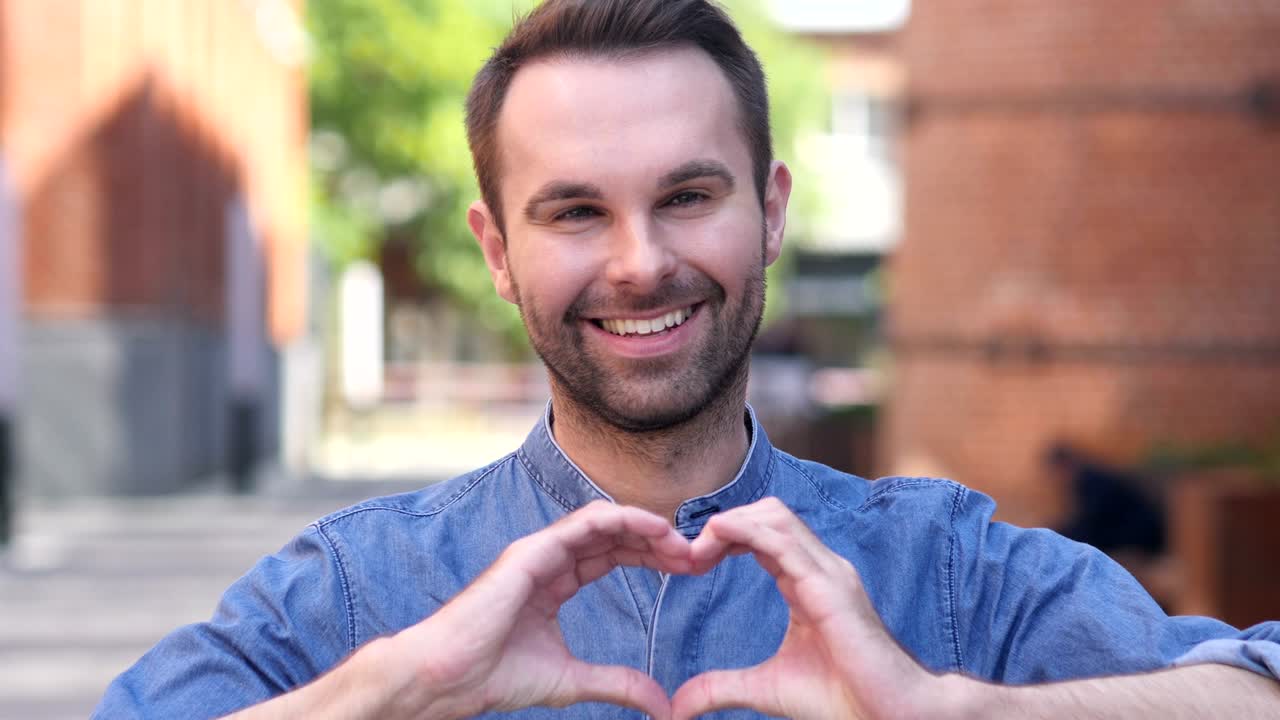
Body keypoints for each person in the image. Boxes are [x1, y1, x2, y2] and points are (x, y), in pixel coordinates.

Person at [94, 1, 1280, 718]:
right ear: (496, 251)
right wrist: (394, 692)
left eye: (686, 195)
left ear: (768, 212)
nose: (638, 262)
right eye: (572, 213)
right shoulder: (360, 593)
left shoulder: (948, 573)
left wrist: (950, 707)